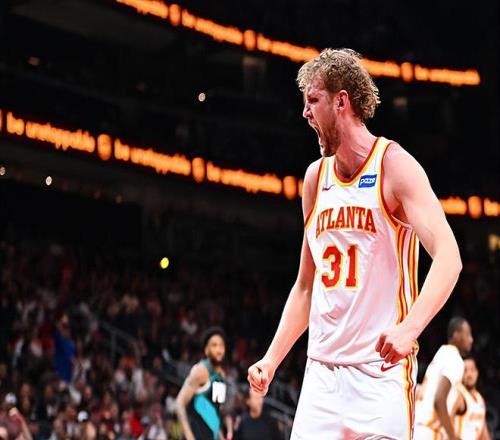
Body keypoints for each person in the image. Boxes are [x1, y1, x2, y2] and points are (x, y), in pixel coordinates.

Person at [247, 48, 463, 439]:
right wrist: (272, 358)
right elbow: (306, 286)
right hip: (322, 377)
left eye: (313, 100)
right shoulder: (315, 179)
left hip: (380, 375)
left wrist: (410, 328)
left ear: (341, 101)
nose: (305, 113)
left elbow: (449, 257)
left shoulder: (394, 166)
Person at [414, 317, 473, 439]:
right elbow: (439, 399)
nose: (471, 340)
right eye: (468, 334)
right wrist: (453, 436)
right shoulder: (455, 358)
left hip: (419, 427)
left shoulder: (443, 352)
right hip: (430, 431)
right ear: (456, 334)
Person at [176, 327, 228, 440]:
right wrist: (189, 435)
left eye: (221, 345)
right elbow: (179, 403)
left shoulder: (221, 376)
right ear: (206, 350)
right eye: (214, 345)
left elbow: (214, 413)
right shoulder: (200, 371)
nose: (218, 349)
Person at [451, 357, 490, 440]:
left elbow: (484, 434)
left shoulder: (480, 399)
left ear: (477, 372)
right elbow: (445, 423)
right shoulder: (458, 395)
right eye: (465, 371)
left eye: (472, 370)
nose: (469, 374)